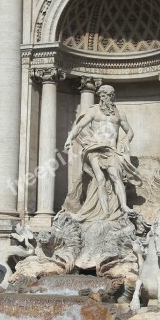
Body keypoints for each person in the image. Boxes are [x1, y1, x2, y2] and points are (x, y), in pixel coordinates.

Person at [64, 84, 141, 222]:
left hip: (111, 149)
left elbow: (130, 131)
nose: (102, 98)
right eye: (101, 95)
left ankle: (124, 206)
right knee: (100, 178)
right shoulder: (93, 111)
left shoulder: (120, 114)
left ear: (111, 96)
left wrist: (125, 141)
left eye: (105, 95)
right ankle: (105, 211)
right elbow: (80, 126)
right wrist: (69, 139)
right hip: (94, 148)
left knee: (116, 176)